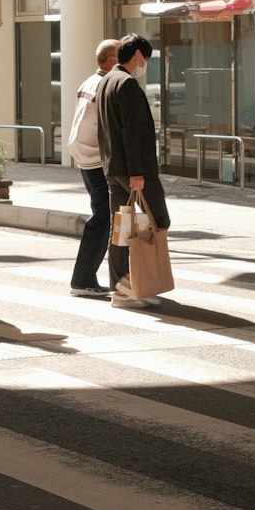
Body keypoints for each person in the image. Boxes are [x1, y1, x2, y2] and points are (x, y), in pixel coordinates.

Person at [95, 32, 169, 309]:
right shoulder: (126, 84)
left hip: (112, 168)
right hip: (134, 171)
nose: (144, 64)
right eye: (145, 59)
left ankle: (122, 287)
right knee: (159, 220)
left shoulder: (105, 82)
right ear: (138, 55)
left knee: (121, 228)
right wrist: (137, 171)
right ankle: (141, 280)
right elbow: (131, 132)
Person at [67, 38, 119, 298]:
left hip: (83, 155)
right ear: (111, 61)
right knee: (102, 218)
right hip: (96, 157)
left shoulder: (89, 81)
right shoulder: (106, 84)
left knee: (102, 216)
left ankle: (86, 276)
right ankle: (83, 278)